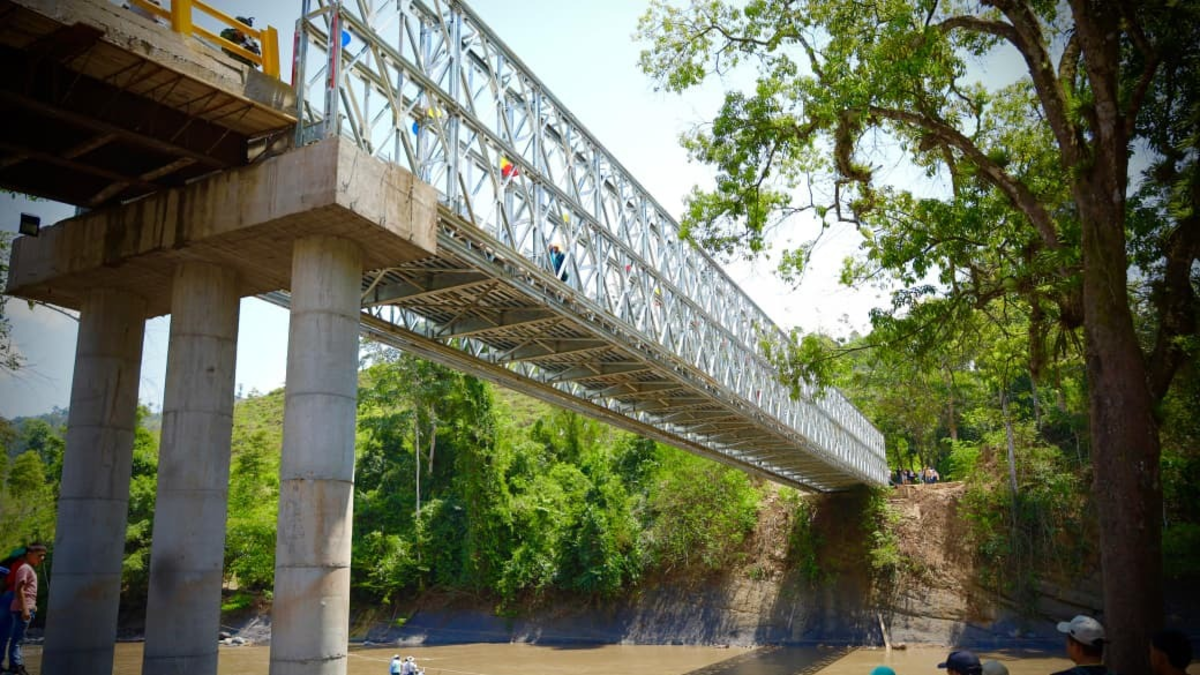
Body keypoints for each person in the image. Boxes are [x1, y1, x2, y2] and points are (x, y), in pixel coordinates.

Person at [2, 543, 47, 675]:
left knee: (12, 637)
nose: (42, 558)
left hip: (16, 602)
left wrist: (31, 605)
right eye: (40, 555)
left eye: (44, 556)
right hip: (19, 604)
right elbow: (19, 588)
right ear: (29, 554)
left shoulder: (21, 566)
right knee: (16, 639)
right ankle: (16, 667)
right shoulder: (24, 567)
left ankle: (13, 666)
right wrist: (26, 608)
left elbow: (25, 590)